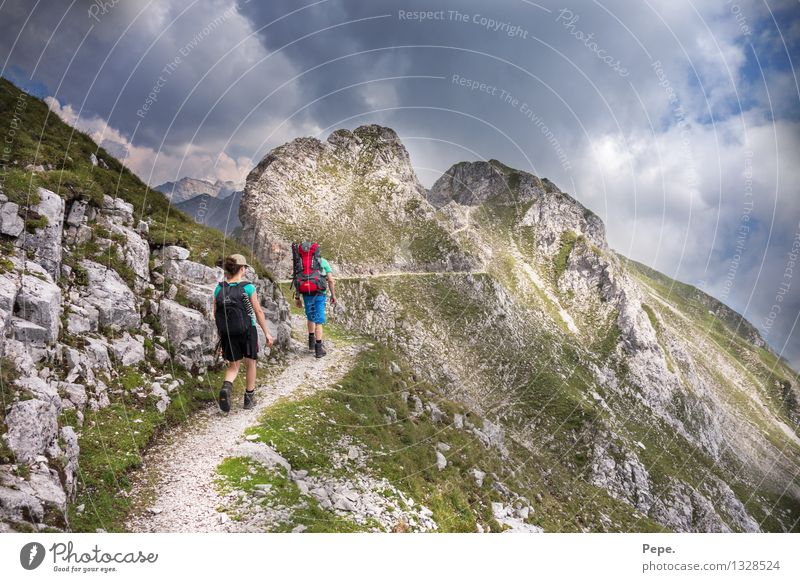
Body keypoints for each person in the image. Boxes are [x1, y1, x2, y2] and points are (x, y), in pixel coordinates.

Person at [213, 254, 273, 412]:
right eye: (245, 266)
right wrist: (266, 332)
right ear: (241, 269)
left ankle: (226, 389)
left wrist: (222, 335)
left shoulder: (219, 288)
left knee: (233, 366)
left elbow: (215, 313)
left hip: (228, 333)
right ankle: (249, 398)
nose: (245, 269)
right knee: (250, 362)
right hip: (247, 330)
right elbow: (258, 311)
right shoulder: (248, 287)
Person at [293, 249, 336, 358]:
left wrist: (297, 297)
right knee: (319, 321)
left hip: (307, 294)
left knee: (310, 317)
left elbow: (297, 279)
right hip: (319, 294)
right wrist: (333, 295)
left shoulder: (301, 263)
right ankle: (318, 349)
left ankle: (311, 343)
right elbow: (330, 280)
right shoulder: (323, 261)